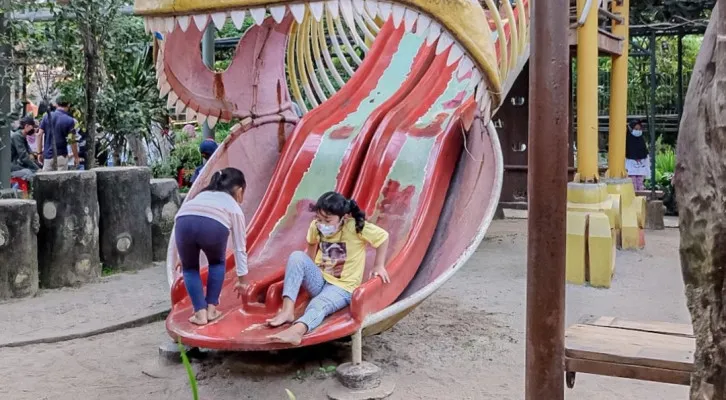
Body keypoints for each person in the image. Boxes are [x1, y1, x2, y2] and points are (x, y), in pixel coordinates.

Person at [267, 191, 390, 345]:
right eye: (319, 219)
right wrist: (307, 268)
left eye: (327, 220)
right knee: (297, 256)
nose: (322, 224)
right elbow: (311, 243)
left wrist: (379, 265)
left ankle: (298, 330)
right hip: (320, 279)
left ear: (343, 218)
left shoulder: (355, 227)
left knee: (318, 303)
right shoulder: (316, 226)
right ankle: (287, 311)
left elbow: (383, 237)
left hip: (343, 287)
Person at [174, 167, 249, 325]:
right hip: (213, 225)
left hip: (183, 220)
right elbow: (240, 248)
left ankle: (200, 313)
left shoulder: (201, 195)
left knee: (189, 268)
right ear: (239, 190)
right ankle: (211, 309)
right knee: (216, 263)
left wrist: (181, 255)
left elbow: (189, 216)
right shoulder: (234, 207)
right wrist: (242, 280)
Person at [38, 96, 80, 171]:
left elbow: (39, 134)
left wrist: (39, 153)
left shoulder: (47, 116)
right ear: (69, 105)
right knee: (61, 181)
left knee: (46, 180)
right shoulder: (70, 120)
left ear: (56, 105)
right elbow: (72, 141)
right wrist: (76, 157)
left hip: (48, 155)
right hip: (61, 156)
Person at [10, 116, 40, 181]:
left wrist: (34, 156)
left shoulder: (22, 136)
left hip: (14, 163)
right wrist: (37, 169)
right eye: (33, 127)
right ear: (26, 126)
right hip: (9, 165)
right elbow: (23, 156)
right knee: (29, 172)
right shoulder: (17, 136)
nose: (34, 129)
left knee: (33, 169)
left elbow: (29, 150)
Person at [625, 120, 650, 191]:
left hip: (640, 168)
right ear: (630, 129)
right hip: (630, 168)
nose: (638, 131)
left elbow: (645, 154)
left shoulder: (641, 140)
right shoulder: (626, 141)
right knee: (632, 185)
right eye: (636, 129)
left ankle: (640, 198)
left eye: (639, 129)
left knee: (640, 184)